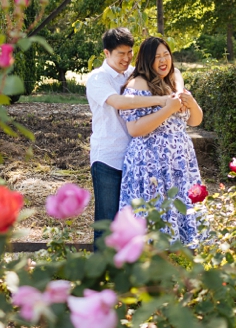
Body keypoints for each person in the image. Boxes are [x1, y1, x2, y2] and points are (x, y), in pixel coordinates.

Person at [85, 28, 183, 248]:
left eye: (130, 52)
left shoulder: (133, 74)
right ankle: (99, 278)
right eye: (120, 53)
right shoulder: (97, 79)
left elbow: (172, 74)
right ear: (106, 53)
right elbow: (121, 102)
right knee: (107, 222)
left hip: (138, 161)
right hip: (108, 158)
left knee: (135, 223)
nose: (126, 58)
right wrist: (162, 101)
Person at [118, 36, 204, 245]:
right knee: (152, 218)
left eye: (166, 54)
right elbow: (135, 129)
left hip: (179, 161)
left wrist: (191, 103)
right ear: (147, 60)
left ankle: (177, 266)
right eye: (157, 57)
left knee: (178, 212)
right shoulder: (138, 83)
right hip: (150, 162)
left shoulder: (174, 78)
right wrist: (167, 110)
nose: (163, 60)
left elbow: (195, 120)